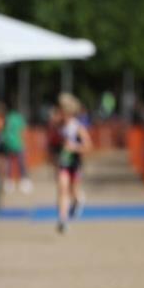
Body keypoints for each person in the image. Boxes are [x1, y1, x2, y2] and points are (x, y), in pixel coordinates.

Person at [53, 93, 92, 234]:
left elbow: (88, 146)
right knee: (62, 188)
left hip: (75, 163)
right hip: (63, 163)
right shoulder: (58, 125)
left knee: (73, 191)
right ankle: (63, 220)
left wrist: (74, 147)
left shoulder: (77, 127)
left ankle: (78, 200)